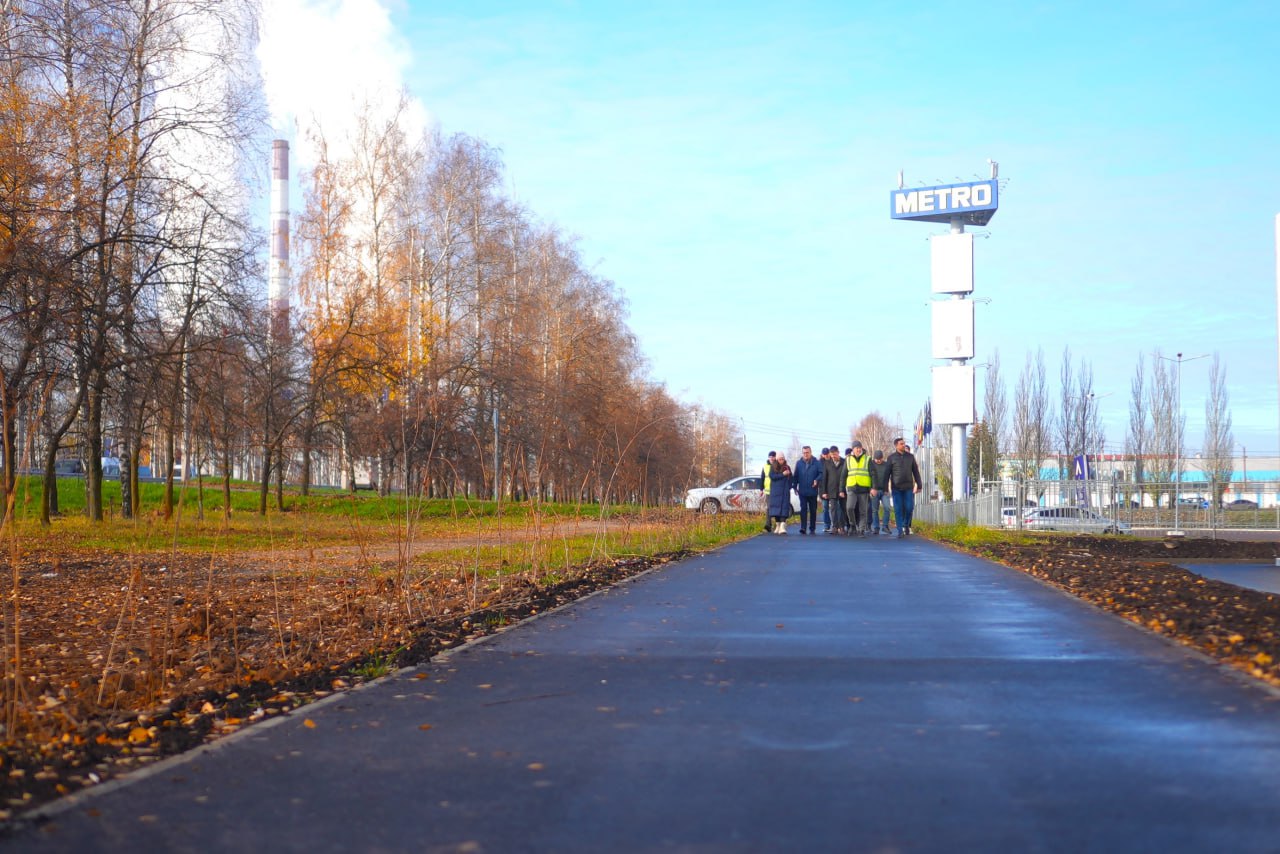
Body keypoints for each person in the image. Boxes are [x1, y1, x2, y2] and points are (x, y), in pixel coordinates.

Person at [886, 437, 923, 538]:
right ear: (896, 446)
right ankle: (900, 531)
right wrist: (885, 488)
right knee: (898, 509)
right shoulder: (891, 458)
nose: (903, 445)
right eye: (901, 444)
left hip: (908, 488)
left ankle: (905, 524)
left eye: (904, 443)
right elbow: (887, 473)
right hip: (896, 488)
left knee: (909, 507)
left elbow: (915, 471)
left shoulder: (910, 457)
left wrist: (919, 485)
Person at [793, 445, 822, 535]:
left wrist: (817, 480)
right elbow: (796, 476)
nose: (805, 454)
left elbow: (821, 473)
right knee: (803, 509)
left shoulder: (816, 463)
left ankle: (812, 528)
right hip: (802, 491)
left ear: (810, 452)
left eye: (807, 452)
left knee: (813, 510)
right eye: (804, 453)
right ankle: (803, 527)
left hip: (813, 491)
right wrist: (794, 486)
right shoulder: (799, 463)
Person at [844, 441, 872, 537]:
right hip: (852, 487)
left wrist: (873, 488)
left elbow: (873, 474)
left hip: (863, 488)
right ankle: (852, 525)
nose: (858, 449)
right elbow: (843, 475)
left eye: (860, 447)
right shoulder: (848, 460)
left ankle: (861, 530)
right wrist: (840, 489)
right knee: (849, 507)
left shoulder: (867, 459)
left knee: (863, 511)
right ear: (853, 449)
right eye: (856, 448)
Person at [821, 445, 847, 534]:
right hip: (831, 489)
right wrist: (824, 492)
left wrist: (844, 489)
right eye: (832, 455)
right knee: (833, 509)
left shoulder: (844, 462)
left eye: (835, 455)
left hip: (842, 489)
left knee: (843, 508)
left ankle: (842, 527)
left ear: (838, 452)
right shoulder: (827, 463)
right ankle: (835, 527)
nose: (833, 457)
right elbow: (824, 478)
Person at [767, 454, 794, 534]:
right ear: (777, 459)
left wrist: (789, 486)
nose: (781, 460)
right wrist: (782, 474)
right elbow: (772, 476)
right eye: (779, 459)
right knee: (775, 509)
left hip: (784, 491)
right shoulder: (773, 467)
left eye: (782, 458)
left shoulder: (787, 467)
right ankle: (778, 525)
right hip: (775, 491)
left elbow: (791, 478)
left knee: (784, 508)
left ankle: (782, 526)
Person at [869, 449, 893, 535]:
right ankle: (876, 527)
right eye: (877, 459)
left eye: (880, 459)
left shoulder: (886, 465)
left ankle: (885, 526)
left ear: (882, 458)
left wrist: (887, 489)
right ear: (874, 458)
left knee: (887, 507)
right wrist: (870, 489)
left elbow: (889, 477)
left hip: (884, 491)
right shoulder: (870, 464)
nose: (878, 460)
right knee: (875, 510)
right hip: (874, 490)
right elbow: (868, 478)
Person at [759, 451, 776, 532]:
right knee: (769, 508)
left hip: (776, 491)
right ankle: (768, 525)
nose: (772, 458)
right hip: (768, 491)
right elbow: (762, 478)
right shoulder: (765, 466)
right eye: (770, 457)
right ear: (768, 458)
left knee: (776, 508)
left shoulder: (777, 465)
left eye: (773, 456)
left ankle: (778, 525)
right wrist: (761, 489)